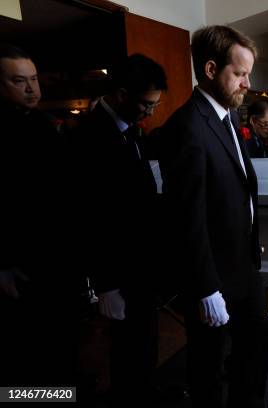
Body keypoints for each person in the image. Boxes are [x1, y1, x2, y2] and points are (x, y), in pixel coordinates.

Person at [158, 25, 268, 408]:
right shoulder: (187, 126)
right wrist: (206, 287)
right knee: (207, 368)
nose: (247, 83)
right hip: (212, 277)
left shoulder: (226, 118)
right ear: (210, 69)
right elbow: (186, 217)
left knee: (255, 350)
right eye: (240, 73)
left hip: (242, 265)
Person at [73, 53, 168, 404]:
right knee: (127, 344)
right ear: (123, 94)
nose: (151, 112)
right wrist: (107, 284)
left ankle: (145, 388)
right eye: (146, 104)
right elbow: (91, 217)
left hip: (142, 261)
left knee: (145, 337)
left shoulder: (132, 131)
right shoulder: (91, 135)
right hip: (119, 268)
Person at [0, 44, 79, 387]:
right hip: (19, 266)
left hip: (58, 261)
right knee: (25, 359)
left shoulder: (46, 126)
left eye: (34, 79)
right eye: (20, 81)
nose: (32, 88)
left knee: (60, 351)